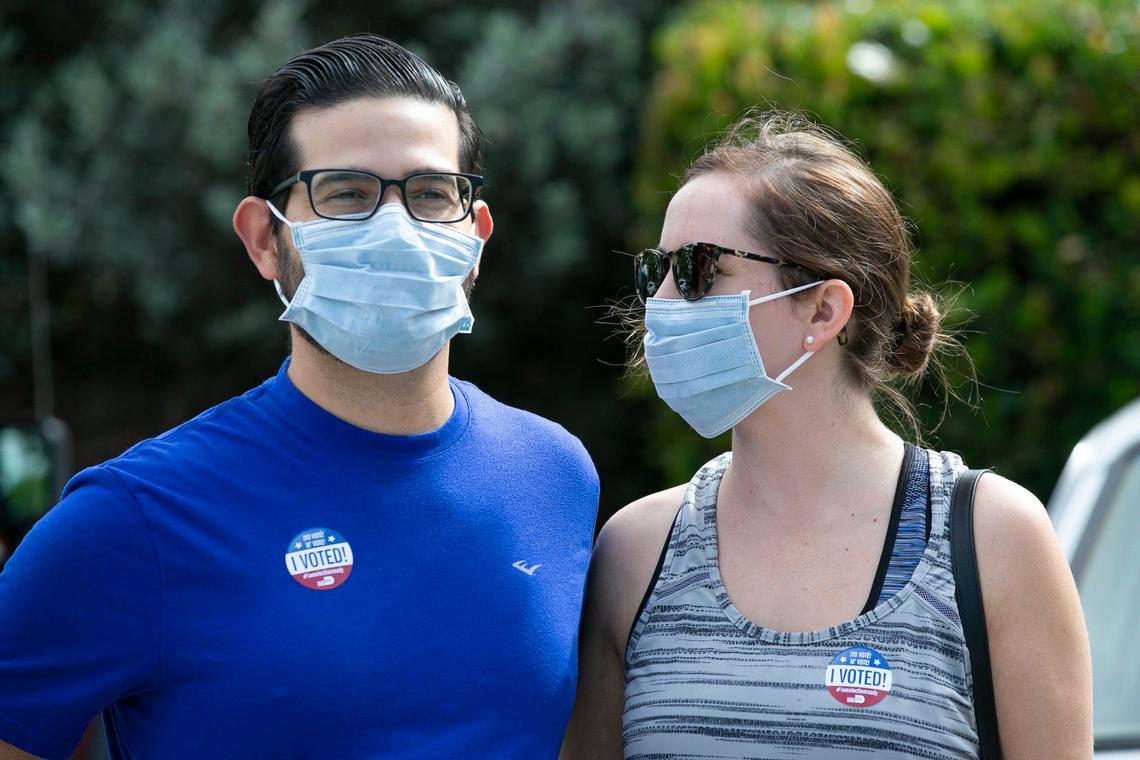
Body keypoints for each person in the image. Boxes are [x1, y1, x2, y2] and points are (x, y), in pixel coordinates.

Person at [0, 34, 598, 760]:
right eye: (346, 193)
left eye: (431, 193)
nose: (396, 227)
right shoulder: (134, 519)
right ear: (262, 239)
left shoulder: (556, 474)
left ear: (475, 235)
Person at [561, 111, 1091, 759]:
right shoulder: (635, 552)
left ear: (821, 309)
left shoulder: (993, 539)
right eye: (657, 271)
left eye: (698, 270)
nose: (662, 303)